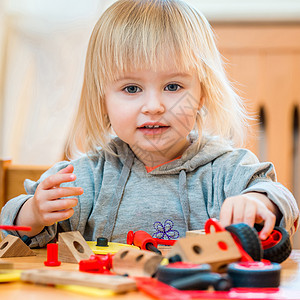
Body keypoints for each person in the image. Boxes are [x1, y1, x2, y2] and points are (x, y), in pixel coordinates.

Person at [1, 0, 298, 248]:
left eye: (173, 87)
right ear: (102, 98)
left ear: (202, 94)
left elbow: (282, 202)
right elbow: (11, 234)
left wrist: (260, 202)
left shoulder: (226, 169)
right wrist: (36, 212)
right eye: (131, 89)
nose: (154, 106)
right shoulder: (85, 178)